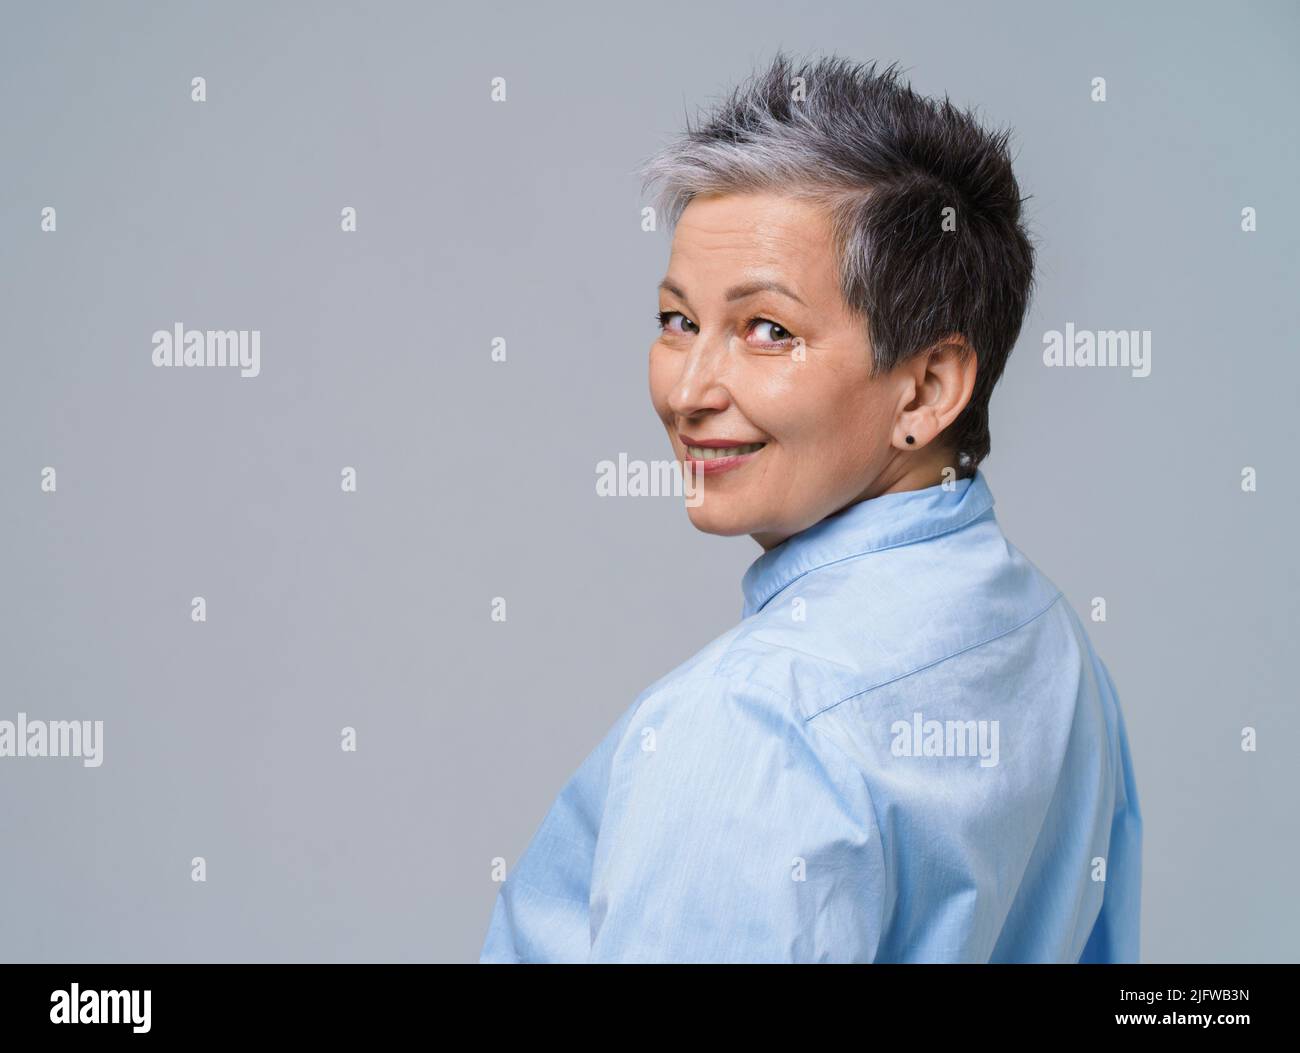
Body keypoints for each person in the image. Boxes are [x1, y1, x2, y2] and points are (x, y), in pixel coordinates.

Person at [479, 52, 1141, 963]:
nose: (690, 391)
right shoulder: (1051, 643)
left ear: (928, 389)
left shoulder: (755, 724)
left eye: (768, 330)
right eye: (678, 321)